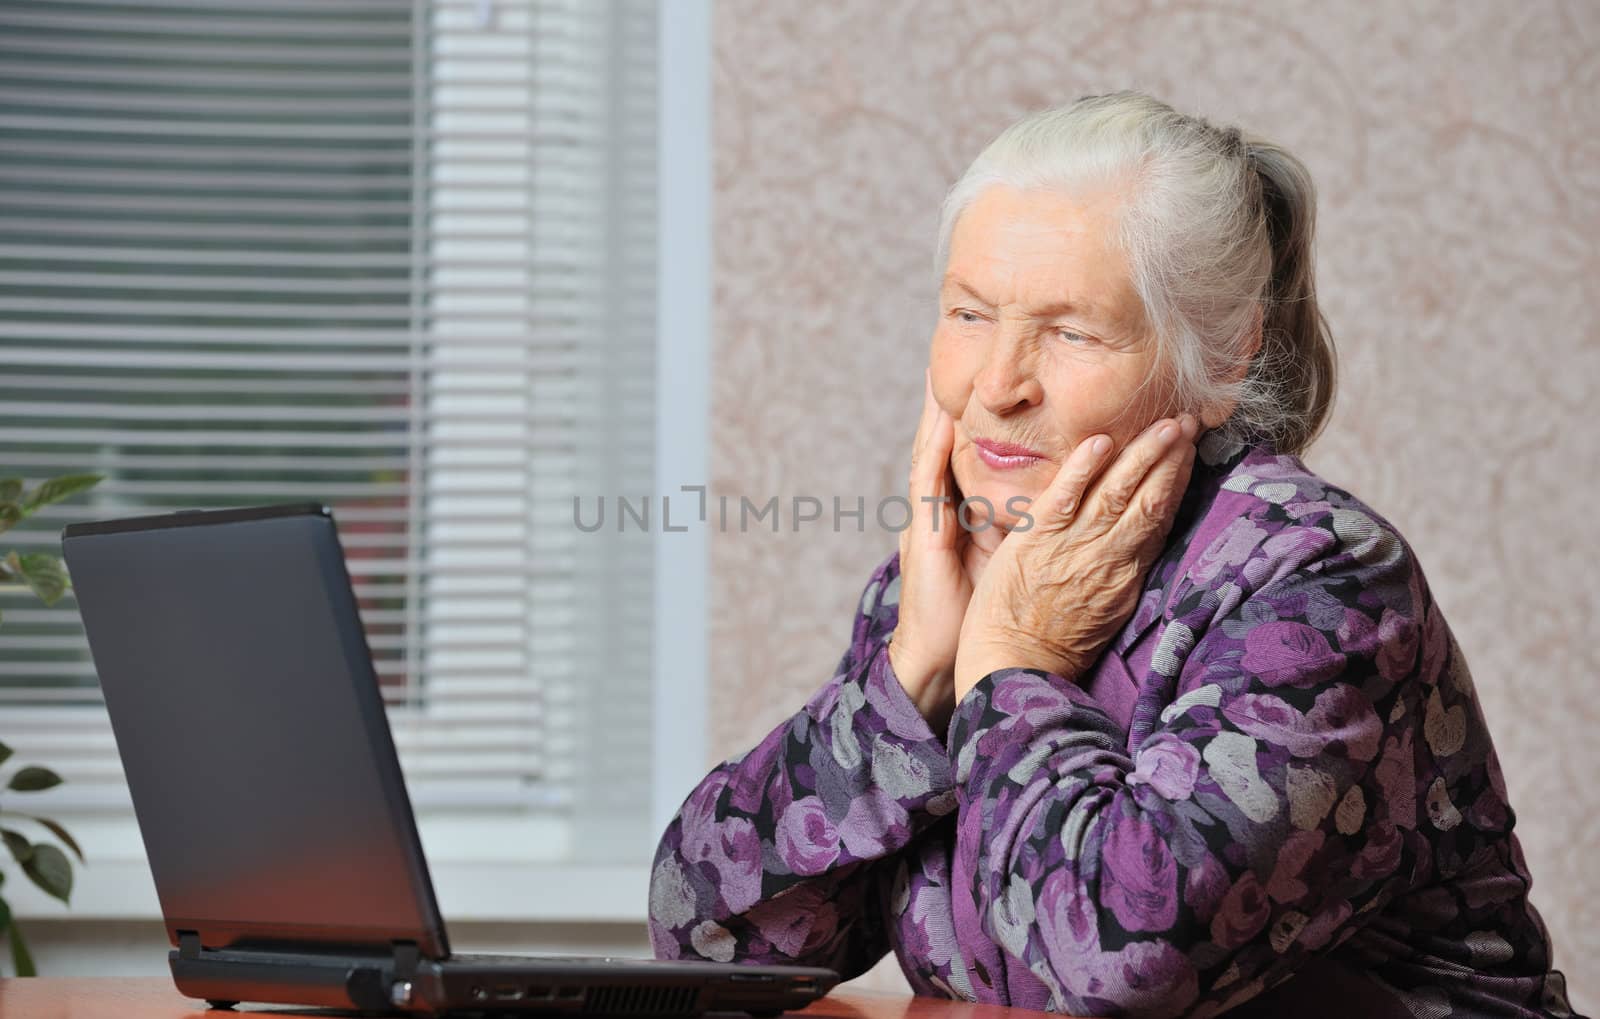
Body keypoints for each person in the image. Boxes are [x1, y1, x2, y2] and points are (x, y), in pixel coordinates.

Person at [646, 91, 1580, 1019]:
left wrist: (1010, 662)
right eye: (970, 315)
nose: (1000, 385)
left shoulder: (1321, 580)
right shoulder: (950, 578)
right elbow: (709, 935)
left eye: (1071, 332)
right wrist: (916, 673)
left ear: (1222, 357)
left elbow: (1122, 969)